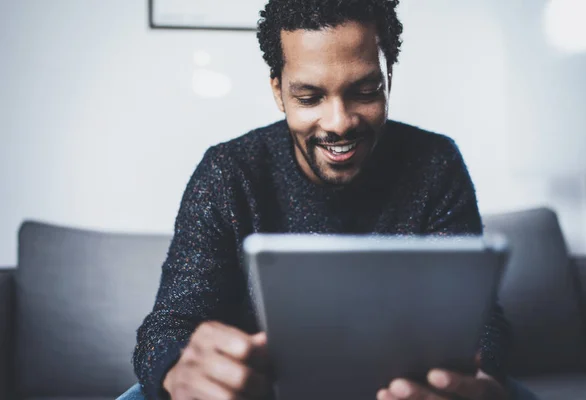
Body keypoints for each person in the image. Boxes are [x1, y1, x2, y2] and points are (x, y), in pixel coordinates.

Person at [118, 0, 539, 399]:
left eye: (365, 90)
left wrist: (477, 377)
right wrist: (177, 370)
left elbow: (480, 320)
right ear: (278, 92)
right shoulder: (228, 171)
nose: (339, 122)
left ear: (389, 77)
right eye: (309, 97)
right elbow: (169, 324)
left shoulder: (436, 162)